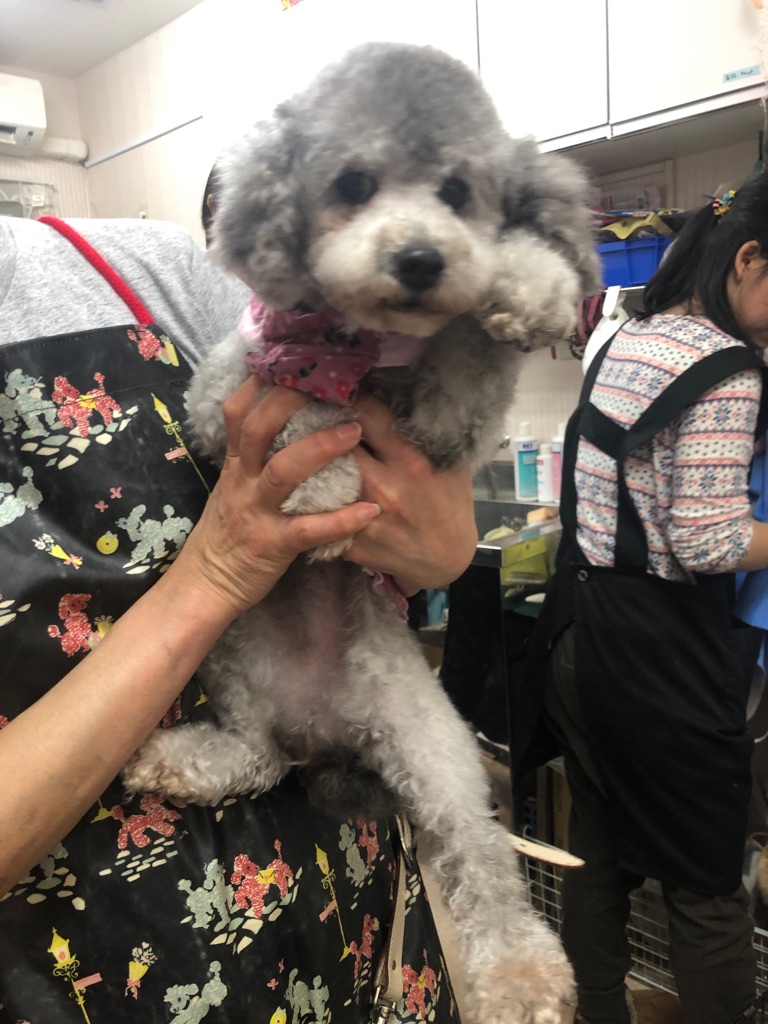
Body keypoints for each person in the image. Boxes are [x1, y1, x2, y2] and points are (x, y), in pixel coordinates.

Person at [0, 211, 477, 1023]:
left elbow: (408, 498)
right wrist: (214, 574)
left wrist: (439, 544)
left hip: (352, 918)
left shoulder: (150, 270)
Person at [512, 172, 768, 1024]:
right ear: (748, 260)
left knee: (602, 846)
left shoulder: (633, 332)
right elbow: (711, 543)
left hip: (580, 633)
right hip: (659, 658)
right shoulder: (728, 369)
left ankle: (597, 1012)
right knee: (706, 883)